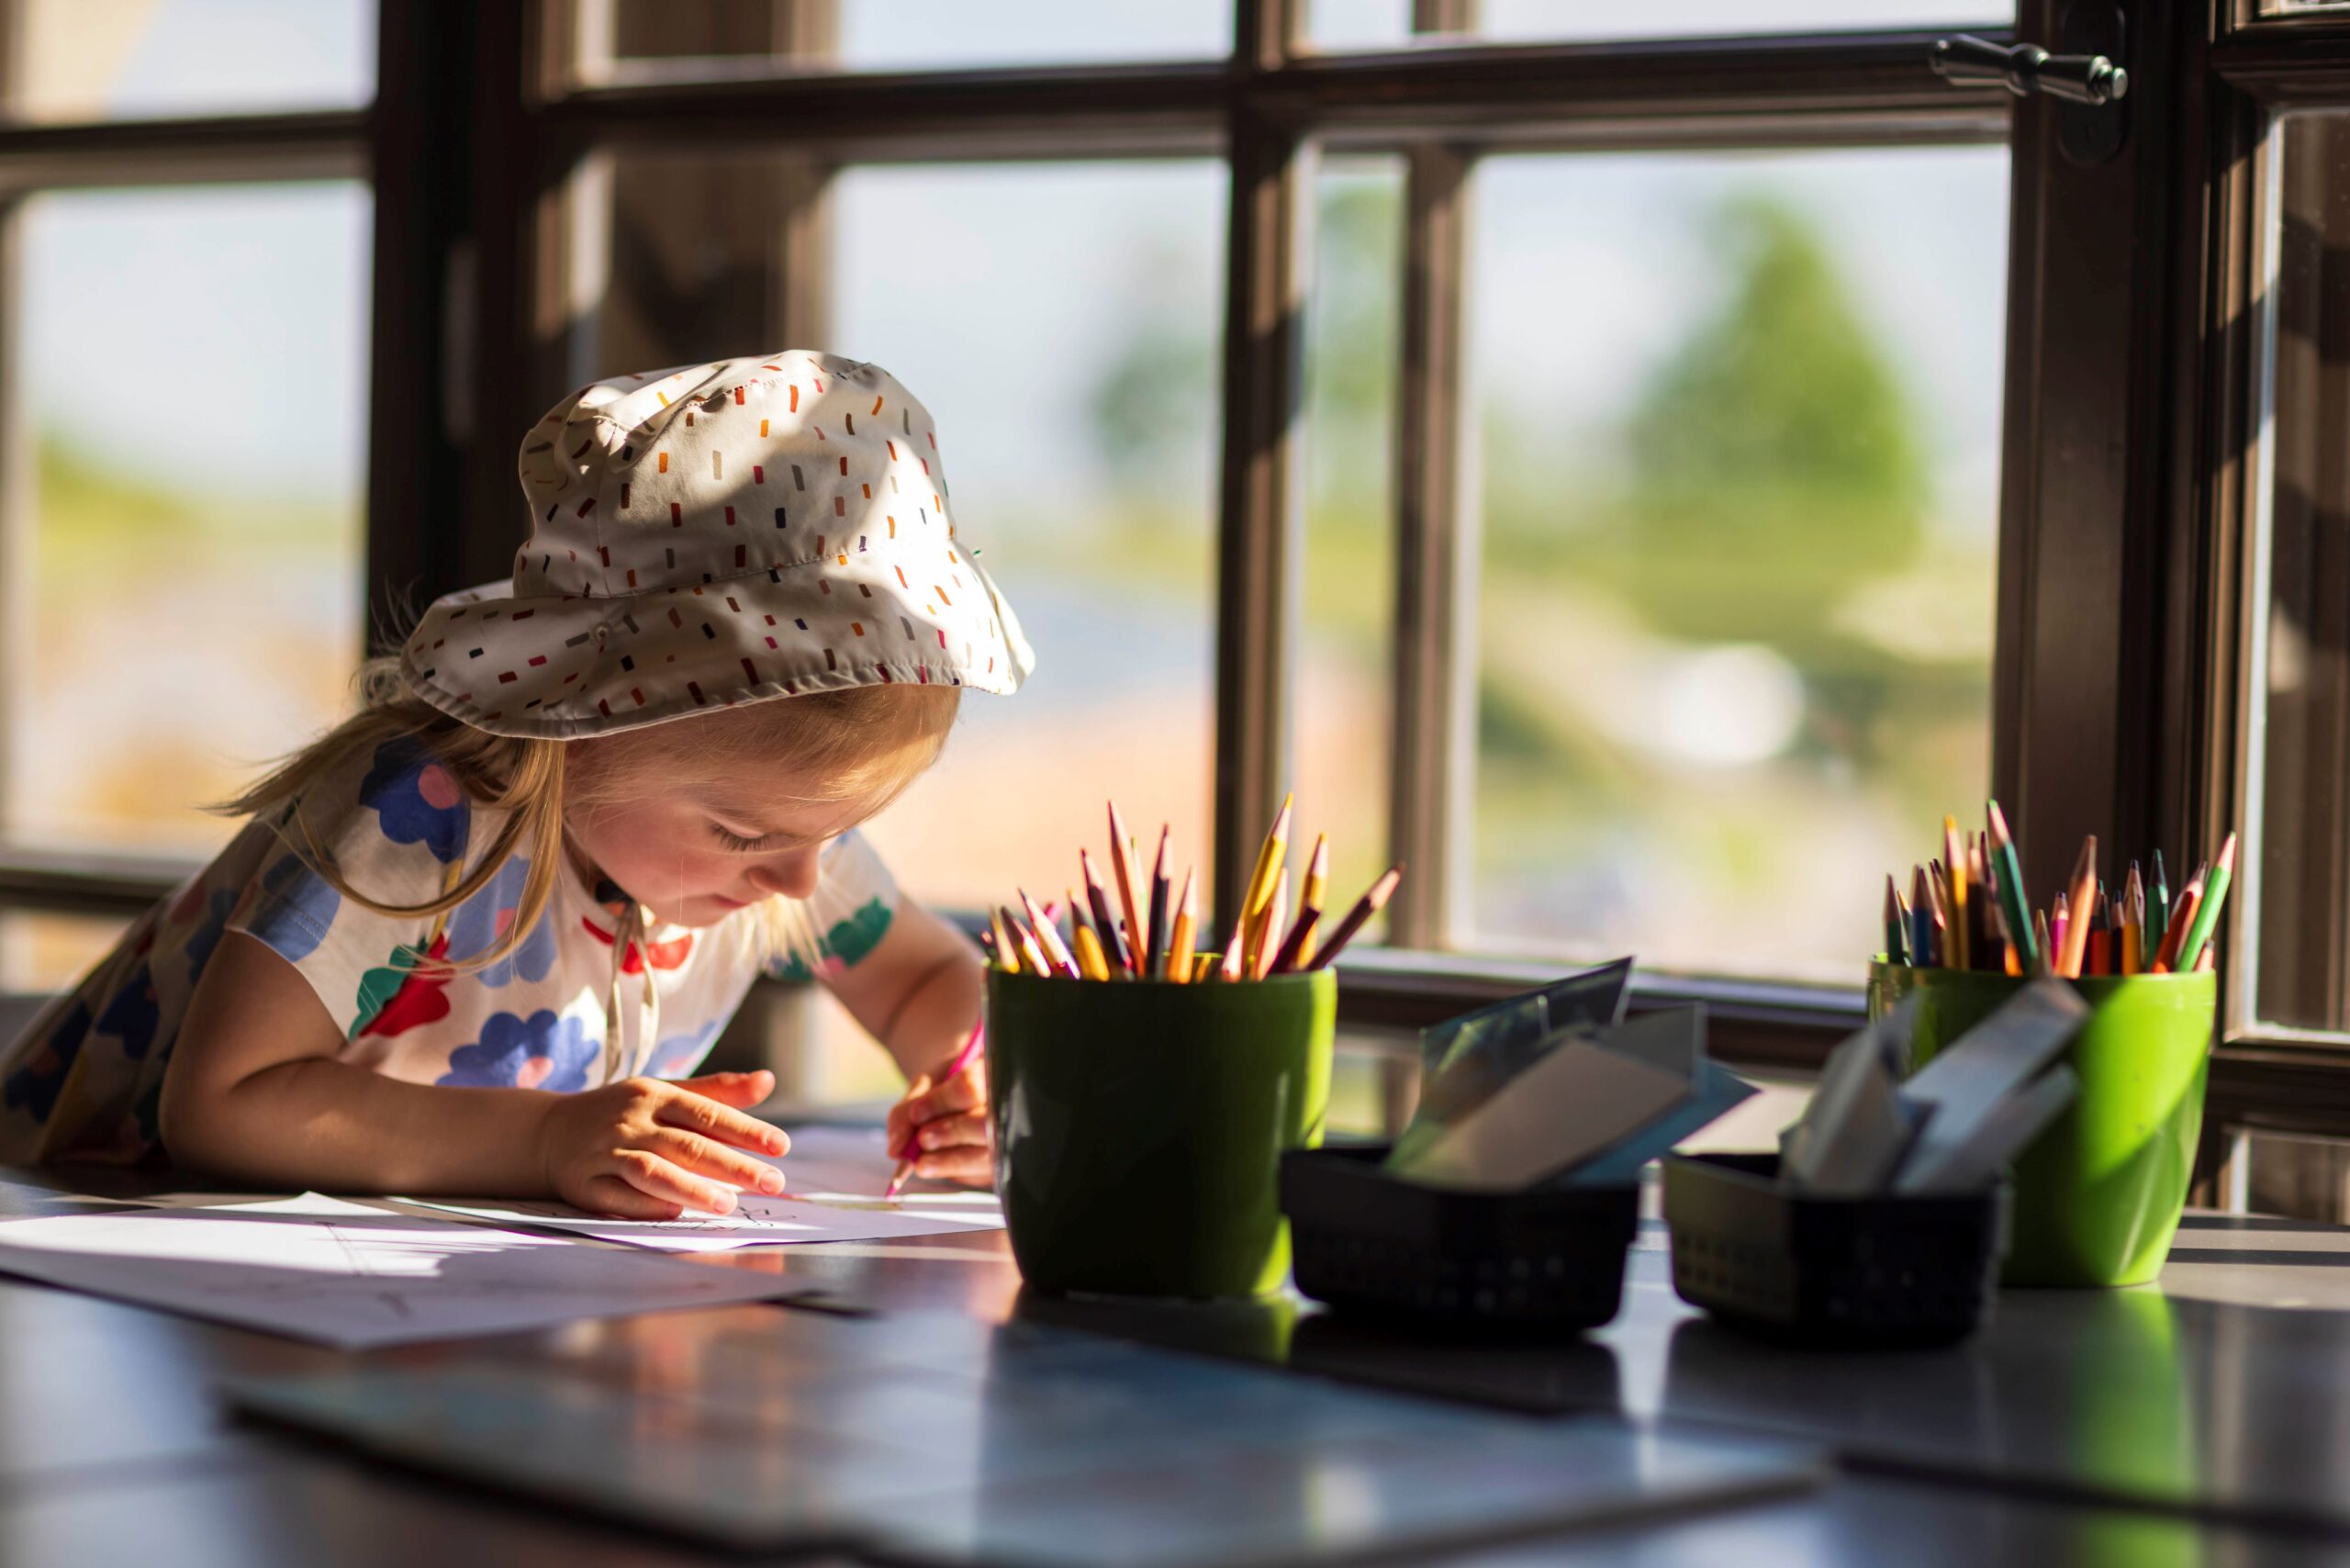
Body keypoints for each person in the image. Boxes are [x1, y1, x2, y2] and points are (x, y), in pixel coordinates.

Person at [0, 351, 1029, 1218]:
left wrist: (967, 1082)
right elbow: (224, 1104)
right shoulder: (419, 816)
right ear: (580, 726)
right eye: (739, 834)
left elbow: (923, 976)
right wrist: (546, 1142)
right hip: (80, 1227)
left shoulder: (788, 836)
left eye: (844, 828)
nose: (807, 882)